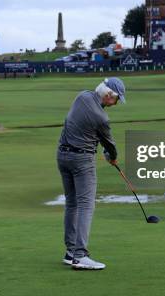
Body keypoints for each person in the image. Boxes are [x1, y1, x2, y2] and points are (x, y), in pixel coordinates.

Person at [57, 77, 125, 270]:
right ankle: (80, 255)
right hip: (82, 161)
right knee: (87, 205)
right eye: (117, 98)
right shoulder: (102, 118)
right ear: (109, 95)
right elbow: (109, 144)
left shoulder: (82, 96)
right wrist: (112, 157)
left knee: (72, 203)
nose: (116, 103)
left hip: (62, 155)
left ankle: (71, 252)